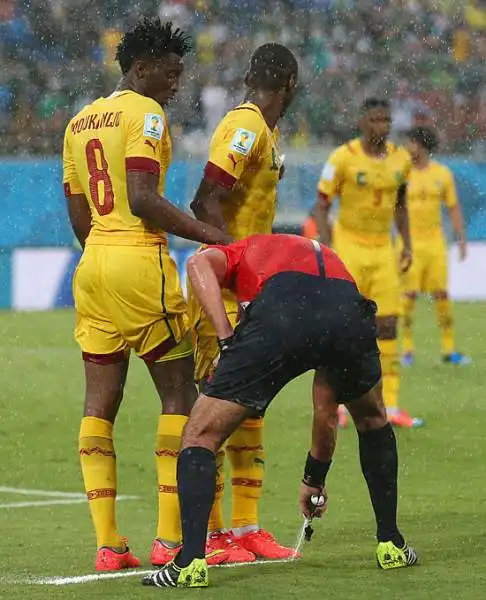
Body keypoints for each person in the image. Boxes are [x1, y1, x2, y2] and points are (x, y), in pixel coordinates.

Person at [142, 233, 418, 589]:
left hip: (283, 308)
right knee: (372, 419)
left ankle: (190, 562)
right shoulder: (321, 257)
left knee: (200, 433)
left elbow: (197, 266)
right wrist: (313, 479)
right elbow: (325, 409)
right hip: (348, 311)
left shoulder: (239, 251)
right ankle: (391, 543)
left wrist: (226, 338)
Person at [62, 18, 230, 572]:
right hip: (138, 260)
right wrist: (211, 235)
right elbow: (141, 197)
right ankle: (167, 539)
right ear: (140, 68)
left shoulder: (80, 120)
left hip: (93, 267)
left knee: (98, 405)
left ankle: (108, 545)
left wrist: (105, 257)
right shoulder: (146, 114)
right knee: (179, 394)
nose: (176, 82)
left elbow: (79, 214)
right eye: (170, 71)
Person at [184, 42, 298, 563]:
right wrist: (233, 262)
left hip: (252, 290)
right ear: (290, 85)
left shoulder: (266, 132)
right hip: (226, 290)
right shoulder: (246, 126)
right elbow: (205, 196)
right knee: (213, 407)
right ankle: (209, 535)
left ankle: (247, 527)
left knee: (249, 409)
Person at [314, 98, 423, 429]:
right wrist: (327, 246)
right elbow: (321, 204)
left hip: (383, 250)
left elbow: (401, 205)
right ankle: (343, 400)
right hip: (349, 247)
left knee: (388, 324)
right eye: (376, 120)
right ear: (362, 122)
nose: (382, 126)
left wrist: (407, 244)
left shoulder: (401, 159)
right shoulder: (343, 157)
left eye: (387, 121)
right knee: (348, 325)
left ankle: (389, 403)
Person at [401, 126, 470, 366]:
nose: (407, 146)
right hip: (409, 244)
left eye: (410, 142)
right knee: (408, 296)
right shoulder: (403, 172)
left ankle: (449, 349)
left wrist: (461, 239)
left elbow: (453, 207)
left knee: (441, 295)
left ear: (420, 144)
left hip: (435, 244)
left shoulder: (442, 174)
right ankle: (407, 350)